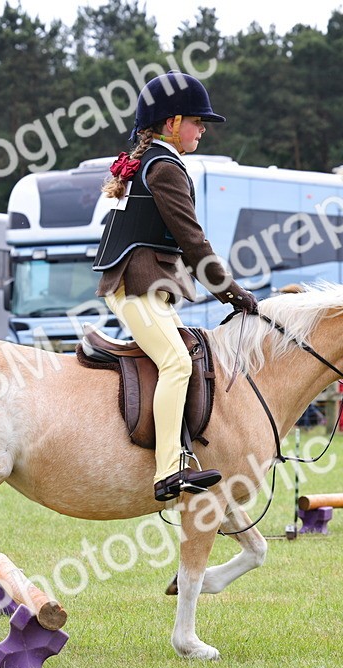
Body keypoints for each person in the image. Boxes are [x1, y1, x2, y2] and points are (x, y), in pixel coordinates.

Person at [92, 71, 259, 503]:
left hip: (145, 284)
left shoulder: (153, 161)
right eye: (197, 122)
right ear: (172, 123)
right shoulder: (165, 167)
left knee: (184, 357)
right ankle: (169, 470)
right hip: (135, 286)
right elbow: (193, 241)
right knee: (177, 363)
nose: (203, 130)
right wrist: (233, 293)